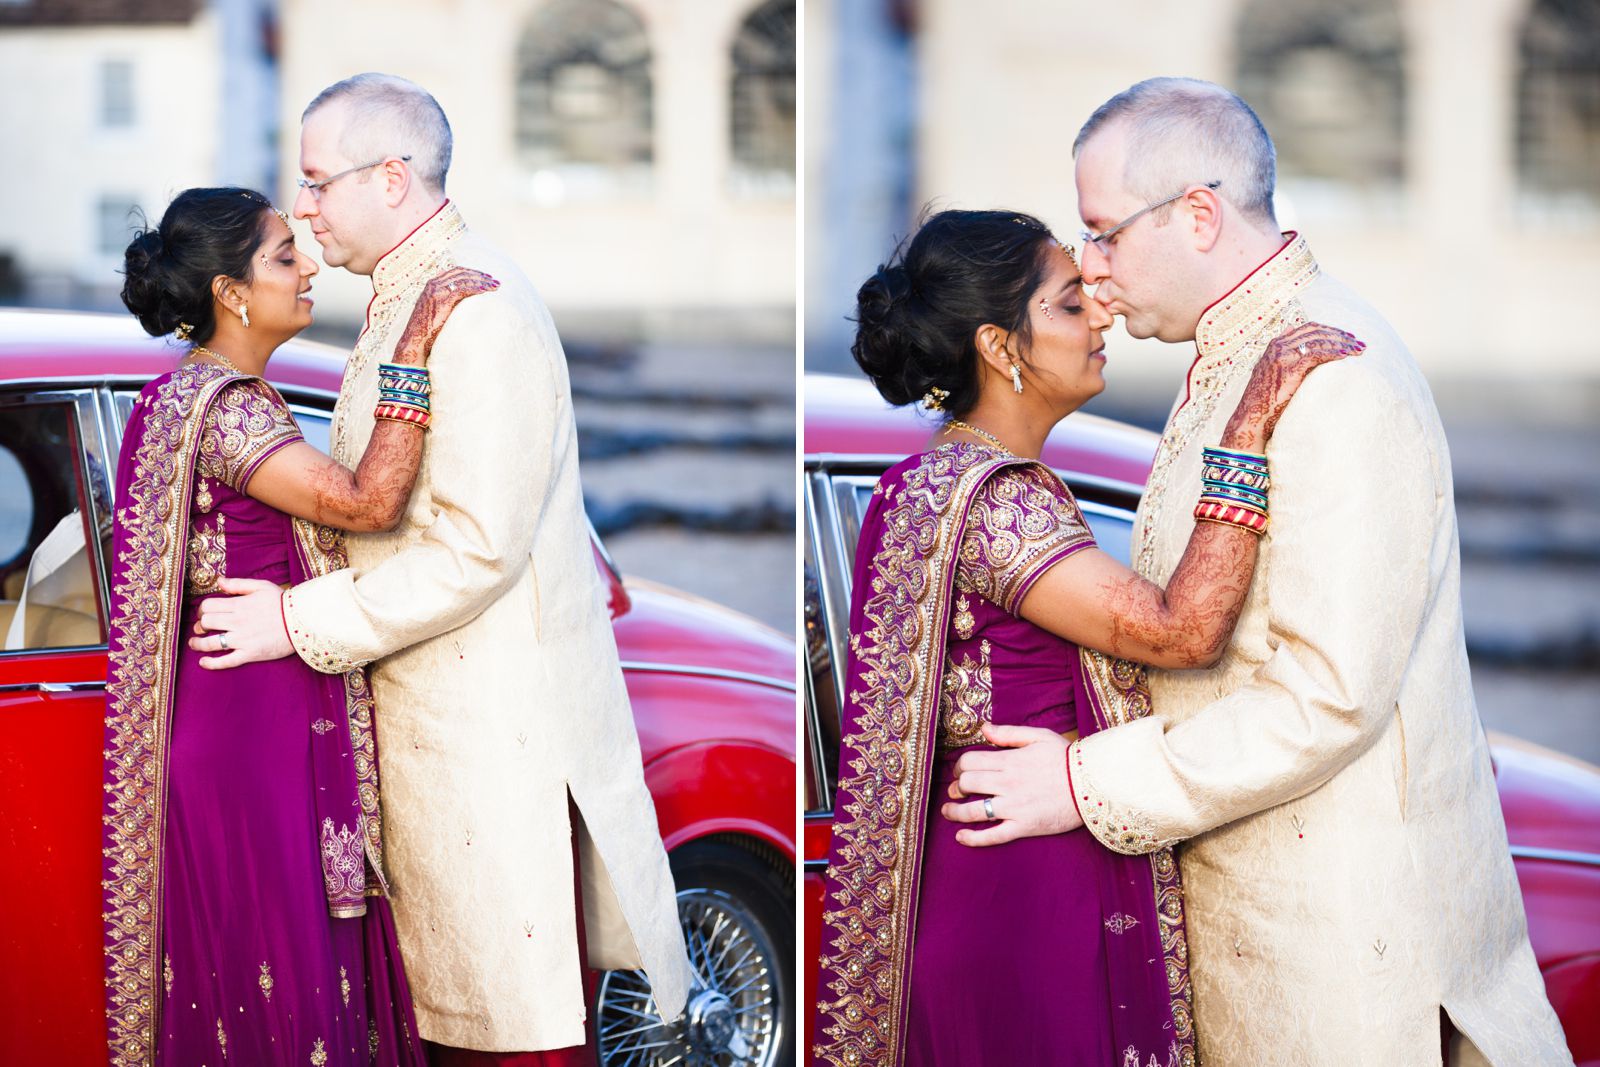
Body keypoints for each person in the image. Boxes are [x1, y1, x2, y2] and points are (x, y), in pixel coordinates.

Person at [940, 78, 1573, 1066]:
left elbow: (1328, 692)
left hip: (1338, 968)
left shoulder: (1335, 378)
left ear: (1196, 213)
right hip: (1259, 932)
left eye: (1104, 233)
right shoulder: (1242, 356)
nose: (1093, 269)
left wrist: (1082, 778)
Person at [181, 74, 693, 1063]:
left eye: (320, 182)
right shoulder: (407, 297)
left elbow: (475, 546)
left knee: (507, 1036)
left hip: (483, 743)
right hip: (429, 733)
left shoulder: (477, 305)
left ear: (391, 176)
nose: (306, 208)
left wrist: (295, 621)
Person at [811, 208, 1361, 1067]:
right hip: (1028, 905)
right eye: (1070, 305)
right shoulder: (999, 500)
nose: (1100, 315)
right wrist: (1247, 428)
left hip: (989, 885)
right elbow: (1185, 632)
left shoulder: (927, 482)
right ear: (1000, 346)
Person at [106, 186, 493, 1065]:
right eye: (286, 255)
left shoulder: (188, 395)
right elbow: (369, 500)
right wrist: (413, 347)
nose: (309, 264)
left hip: (240, 718)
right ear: (230, 293)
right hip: (252, 737)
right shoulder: (231, 407)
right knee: (282, 981)